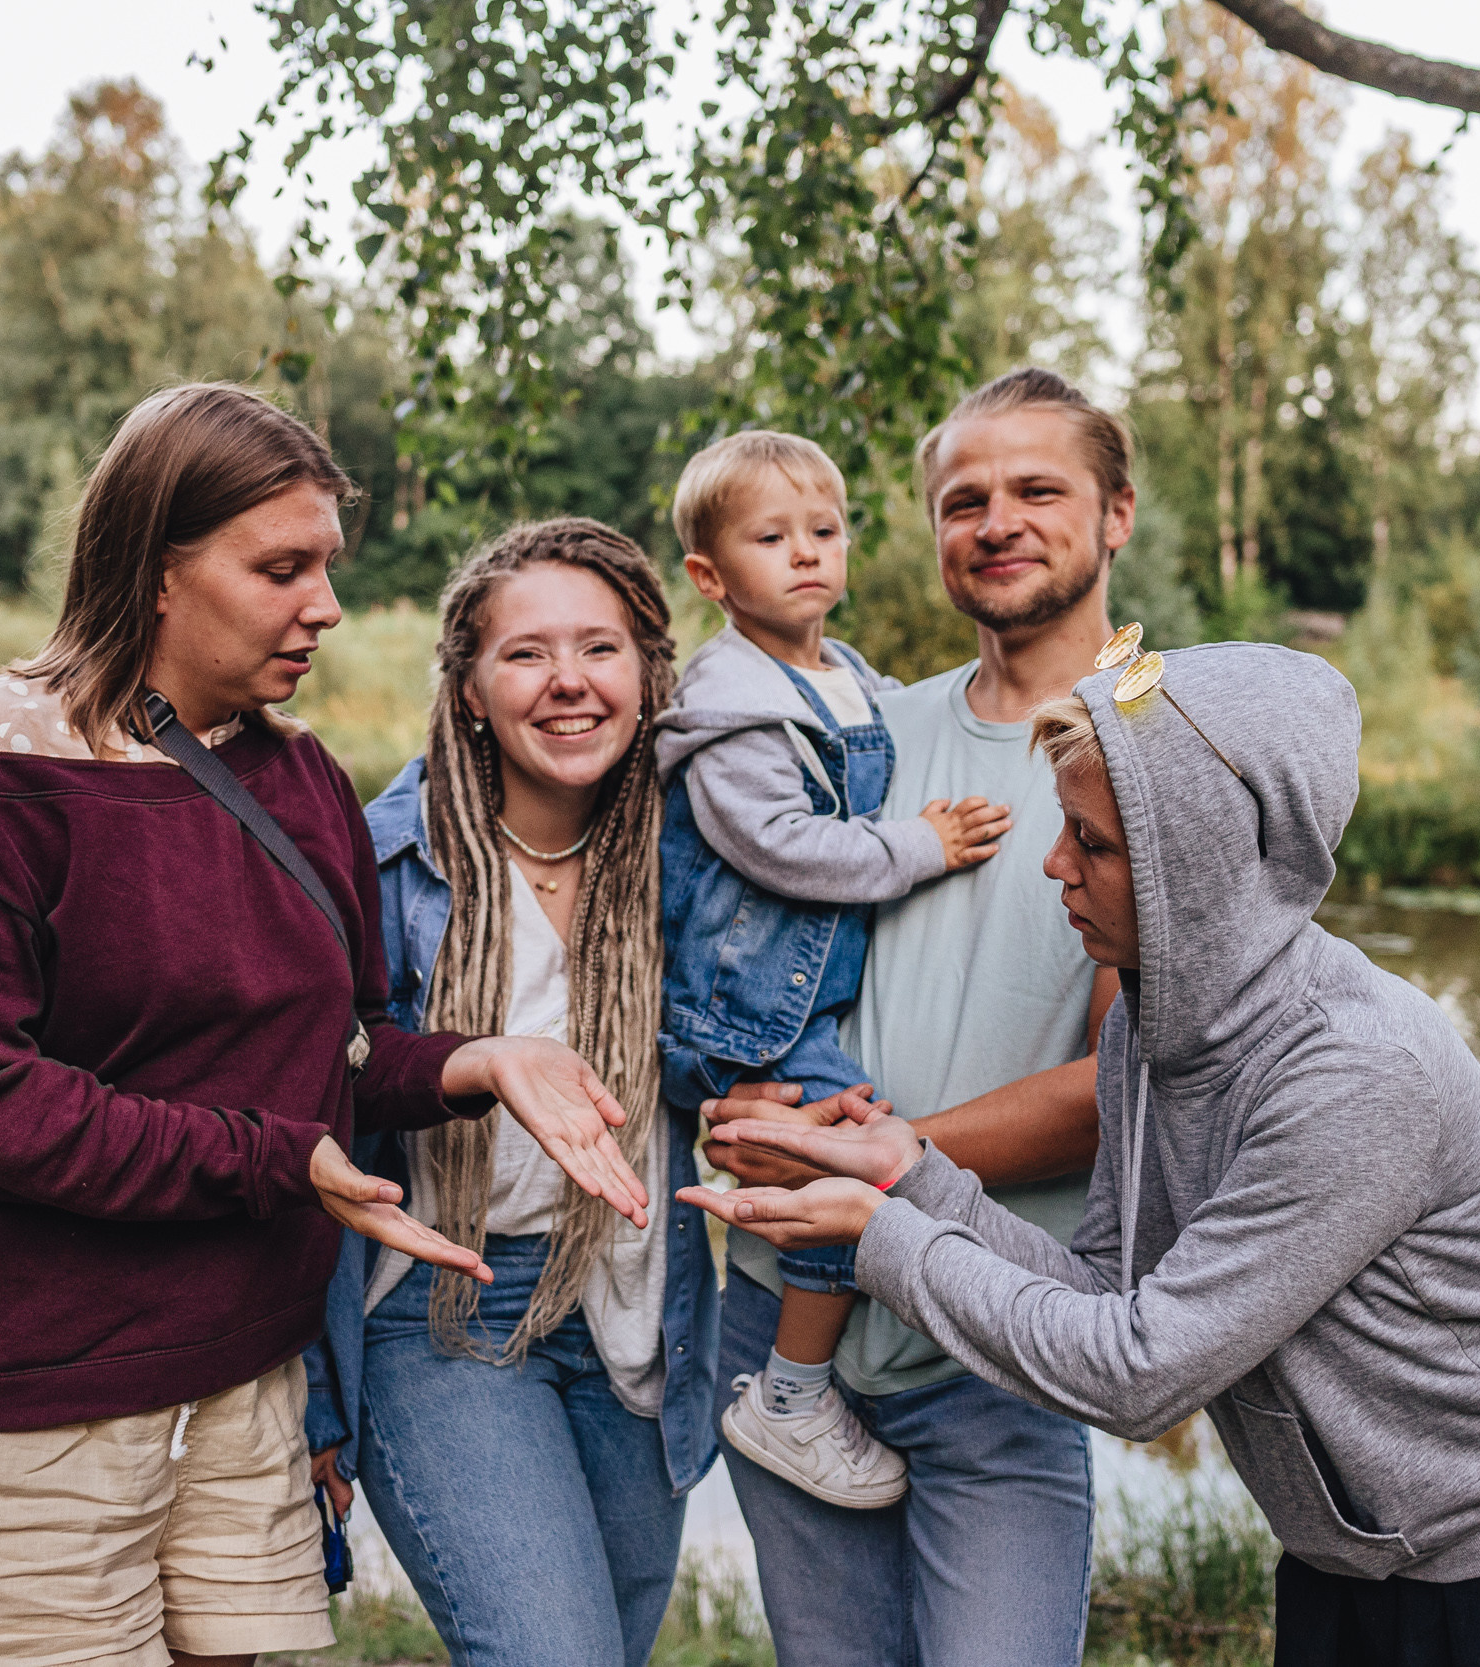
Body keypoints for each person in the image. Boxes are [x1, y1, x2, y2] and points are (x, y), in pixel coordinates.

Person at [690, 643, 1480, 1667]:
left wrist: (877, 1233)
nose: (1053, 868)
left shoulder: (1353, 1069)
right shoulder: (1150, 1025)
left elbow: (1136, 1372)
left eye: (1089, 841)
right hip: (1378, 1566)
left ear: (1197, 863)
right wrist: (905, 1171)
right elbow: (1105, 1290)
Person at [0, 383, 650, 1667]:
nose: (324, 603)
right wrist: (273, 1157)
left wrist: (478, 1060)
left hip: (240, 1387)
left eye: (326, 565)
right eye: (280, 567)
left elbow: (340, 1052)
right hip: (21, 1411)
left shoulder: (293, 770)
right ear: (153, 567)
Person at [695, 369, 1131, 1665]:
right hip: (786, 1315)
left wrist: (861, 1161)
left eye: (1037, 489)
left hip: (991, 1325)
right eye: (963, 500)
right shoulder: (863, 726)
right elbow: (720, 927)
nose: (995, 521)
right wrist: (724, 1097)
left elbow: (1126, 1089)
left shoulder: (1166, 741)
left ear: (1116, 513)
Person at [304, 517, 720, 1667]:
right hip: (444, 1308)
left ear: (647, 672)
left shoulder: (696, 863)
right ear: (471, 689)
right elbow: (309, 1105)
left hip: (635, 1309)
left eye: (601, 648)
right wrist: (311, 1395)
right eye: (526, 653)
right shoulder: (384, 866)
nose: (570, 682)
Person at [656, 430, 1010, 1510]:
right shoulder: (730, 703)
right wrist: (923, 845)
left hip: (810, 994)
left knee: (848, 1152)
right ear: (711, 578)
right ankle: (790, 1395)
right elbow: (782, 845)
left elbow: (895, 732)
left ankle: (803, 1380)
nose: (807, 553)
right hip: (749, 1002)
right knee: (842, 1168)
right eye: (773, 538)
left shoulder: (843, 673)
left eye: (825, 530)